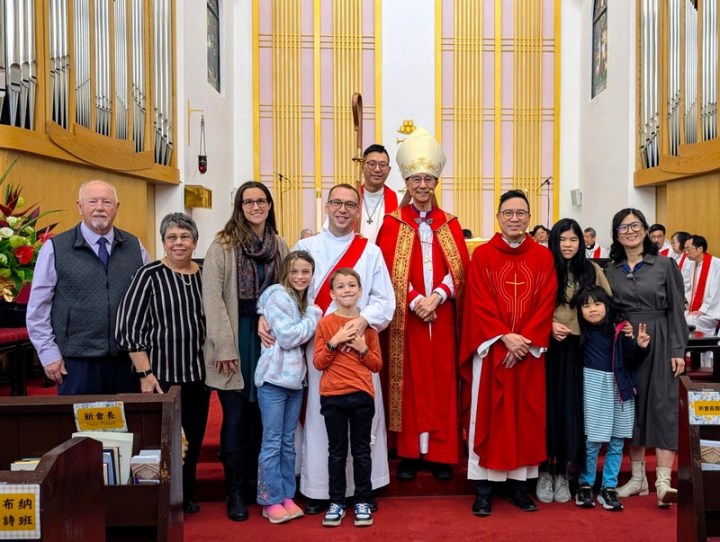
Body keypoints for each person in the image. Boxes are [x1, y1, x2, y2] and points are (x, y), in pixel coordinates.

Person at [290, 183, 395, 515]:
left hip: (360, 344)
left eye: (350, 205)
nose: (342, 210)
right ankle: (320, 488)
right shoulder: (305, 247)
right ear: (326, 207)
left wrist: (360, 322)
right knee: (322, 420)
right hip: (322, 345)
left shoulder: (370, 251)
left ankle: (363, 489)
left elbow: (384, 300)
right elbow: (292, 292)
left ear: (357, 211)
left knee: (363, 424)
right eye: (336, 203)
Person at [376, 127, 469, 481]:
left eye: (428, 179)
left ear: (435, 182)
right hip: (408, 317)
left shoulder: (450, 223)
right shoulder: (392, 224)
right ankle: (411, 453)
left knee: (442, 380)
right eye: (416, 179)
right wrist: (416, 300)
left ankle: (441, 454)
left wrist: (439, 296)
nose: (422, 185)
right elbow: (387, 270)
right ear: (406, 183)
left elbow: (461, 269)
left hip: (442, 314)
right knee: (411, 382)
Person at [459, 189, 557, 516]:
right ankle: (483, 489)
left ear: (529, 218)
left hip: (528, 353)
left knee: (525, 418)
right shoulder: (483, 255)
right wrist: (504, 337)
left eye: (521, 213)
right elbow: (477, 301)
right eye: (509, 213)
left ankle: (518, 486)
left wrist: (524, 341)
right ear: (499, 217)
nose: (515, 219)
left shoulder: (543, 257)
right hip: (492, 353)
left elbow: (546, 301)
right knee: (488, 415)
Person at [202, 181, 289, 521]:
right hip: (235, 339)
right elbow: (212, 300)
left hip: (268, 339)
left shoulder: (279, 244)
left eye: (261, 201)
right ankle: (235, 491)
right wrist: (224, 346)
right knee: (237, 416)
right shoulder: (223, 245)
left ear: (269, 205)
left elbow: (286, 292)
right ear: (239, 207)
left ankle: (257, 483)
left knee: (261, 416)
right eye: (248, 201)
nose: (256, 207)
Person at [115, 212, 210, 514]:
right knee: (165, 441)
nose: (178, 243)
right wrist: (145, 372)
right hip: (161, 375)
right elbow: (128, 327)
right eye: (172, 238)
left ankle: (187, 495)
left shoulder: (206, 274)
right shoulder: (149, 275)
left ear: (195, 241)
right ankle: (164, 500)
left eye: (185, 237)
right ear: (163, 242)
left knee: (193, 438)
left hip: (200, 375)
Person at [27, 180, 150, 395]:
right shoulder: (55, 248)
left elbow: (149, 300)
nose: (100, 208)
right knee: (79, 418)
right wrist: (48, 353)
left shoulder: (134, 246)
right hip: (76, 362)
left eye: (107, 202)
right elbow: (38, 308)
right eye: (92, 201)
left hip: (126, 360)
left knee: (127, 417)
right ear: (80, 206)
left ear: (117, 207)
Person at [605, 209, 687, 507]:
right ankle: (638, 479)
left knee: (663, 407)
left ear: (645, 229)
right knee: (633, 409)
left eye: (635, 225)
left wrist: (678, 350)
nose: (630, 231)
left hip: (662, 340)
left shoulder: (665, 265)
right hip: (629, 344)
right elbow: (608, 311)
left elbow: (677, 309)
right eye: (623, 227)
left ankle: (663, 482)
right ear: (616, 234)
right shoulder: (611, 271)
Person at [535, 218, 612, 505]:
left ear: (581, 242)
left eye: (573, 239)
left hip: (581, 349)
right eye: (562, 239)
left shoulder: (591, 270)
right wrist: (547, 326)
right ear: (553, 241)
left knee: (573, 411)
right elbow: (529, 306)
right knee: (550, 409)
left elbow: (606, 304)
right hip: (548, 348)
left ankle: (566, 472)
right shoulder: (543, 266)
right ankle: (546, 470)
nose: (567, 245)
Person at [254, 251, 323, 524]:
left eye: (306, 272)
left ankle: (286, 495)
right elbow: (287, 337)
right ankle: (269, 500)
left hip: (295, 382)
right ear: (285, 272)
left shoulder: (302, 300)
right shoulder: (278, 295)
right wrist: (313, 316)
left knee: (287, 443)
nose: (300, 276)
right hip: (273, 380)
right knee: (272, 442)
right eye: (294, 271)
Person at [313, 268, 383, 528]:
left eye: (352, 285)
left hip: (362, 396)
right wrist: (335, 341)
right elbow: (318, 363)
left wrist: (363, 348)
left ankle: (363, 499)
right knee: (337, 452)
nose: (347, 290)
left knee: (362, 451)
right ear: (332, 294)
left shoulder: (368, 328)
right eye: (340, 286)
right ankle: (337, 501)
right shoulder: (325, 324)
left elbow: (376, 365)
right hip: (333, 397)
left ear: (360, 291)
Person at [574, 286, 650, 512]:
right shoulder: (579, 332)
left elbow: (631, 359)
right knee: (592, 441)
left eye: (597, 304)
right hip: (593, 386)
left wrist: (640, 346)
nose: (593, 309)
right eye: (586, 306)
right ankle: (585, 484)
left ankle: (609, 486)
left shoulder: (620, 329)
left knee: (617, 441)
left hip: (619, 387)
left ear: (607, 306)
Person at [683, 235, 720, 368]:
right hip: (698, 309)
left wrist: (703, 309)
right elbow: (688, 287)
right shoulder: (691, 264)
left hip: (712, 311)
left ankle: (697, 362)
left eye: (688, 249)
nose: (686, 252)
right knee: (681, 318)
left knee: (689, 321)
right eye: (685, 249)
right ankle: (695, 361)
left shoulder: (716, 264)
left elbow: (715, 292)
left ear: (700, 249)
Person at [358, 144, 399, 243]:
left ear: (389, 170)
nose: (377, 169)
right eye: (372, 164)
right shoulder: (349, 199)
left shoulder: (400, 201)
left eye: (382, 165)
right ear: (362, 166)